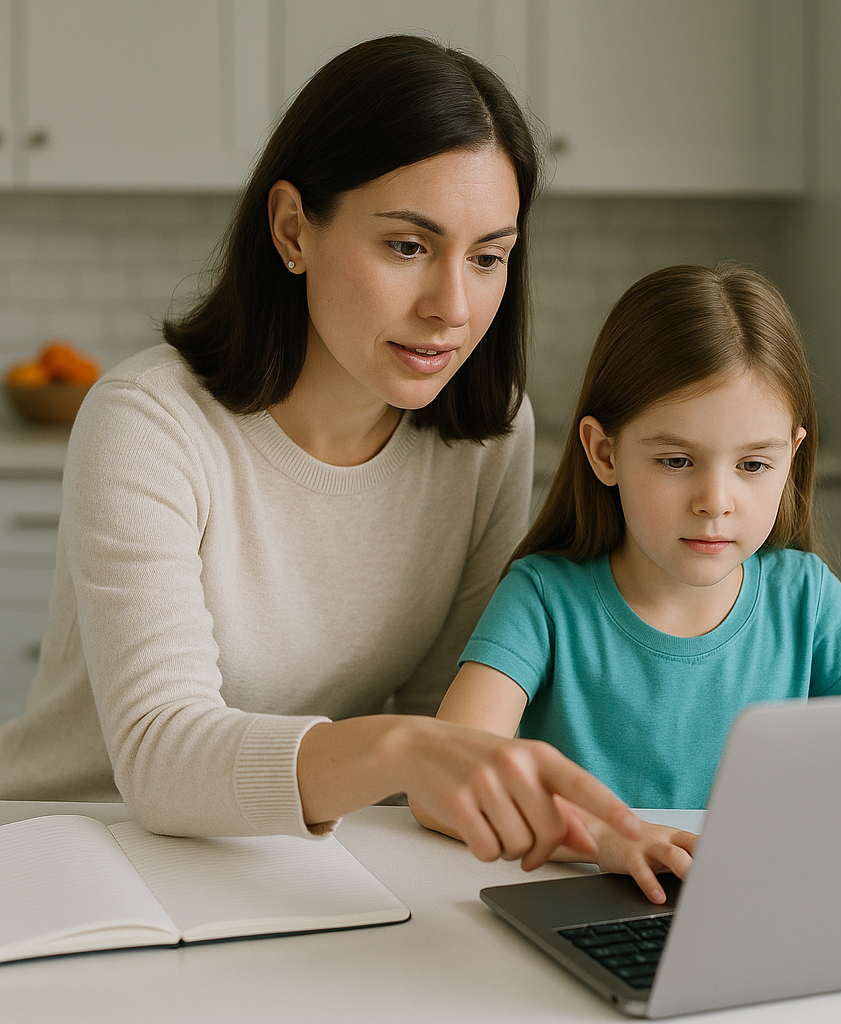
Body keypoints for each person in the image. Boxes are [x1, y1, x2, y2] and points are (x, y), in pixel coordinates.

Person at [0, 35, 643, 867]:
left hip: (291, 859)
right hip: (74, 851)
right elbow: (159, 755)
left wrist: (599, 840)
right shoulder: (147, 423)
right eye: (408, 247)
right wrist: (402, 749)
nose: (453, 306)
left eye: (488, 258)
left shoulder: (488, 436)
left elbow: (442, 722)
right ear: (293, 229)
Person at [414, 263, 841, 901]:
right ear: (604, 454)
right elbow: (443, 784)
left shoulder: (805, 597)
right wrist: (605, 838)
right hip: (580, 903)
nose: (715, 500)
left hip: (754, 908)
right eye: (676, 461)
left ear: (792, 456)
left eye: (754, 464)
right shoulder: (544, 599)